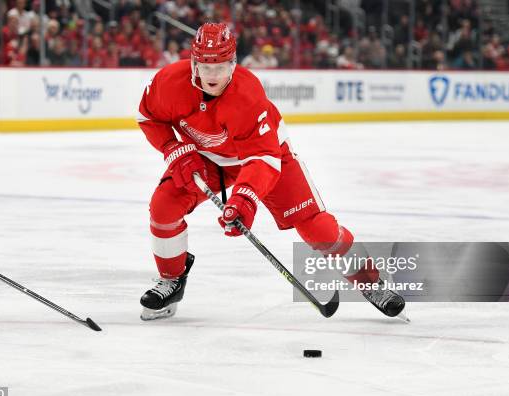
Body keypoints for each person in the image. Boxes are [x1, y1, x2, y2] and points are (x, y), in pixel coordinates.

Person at [136, 22, 406, 321]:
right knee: (163, 207)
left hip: (266, 158)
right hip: (207, 161)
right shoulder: (170, 82)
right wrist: (172, 149)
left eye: (221, 67)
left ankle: (370, 282)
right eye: (205, 67)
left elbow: (263, 158)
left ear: (233, 63)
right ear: (193, 63)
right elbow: (148, 117)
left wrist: (244, 200)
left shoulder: (247, 94)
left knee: (318, 229)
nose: (213, 76)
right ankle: (172, 280)